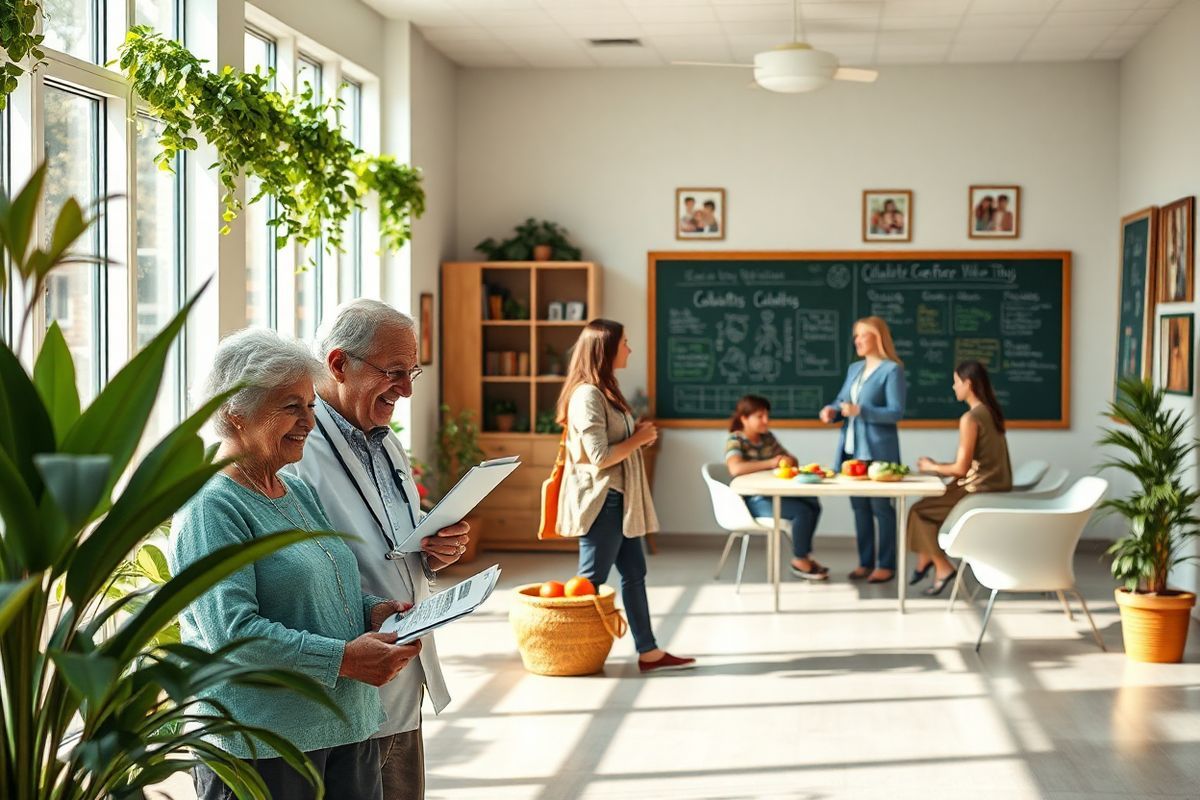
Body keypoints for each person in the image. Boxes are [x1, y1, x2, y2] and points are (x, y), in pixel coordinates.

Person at [171, 329, 419, 800]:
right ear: (233, 411)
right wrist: (343, 659)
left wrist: (371, 611)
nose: (309, 420)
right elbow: (234, 635)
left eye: (309, 405)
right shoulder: (211, 507)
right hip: (266, 745)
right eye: (291, 407)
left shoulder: (296, 490)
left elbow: (326, 582)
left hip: (346, 726)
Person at [292, 299, 469, 800]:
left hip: (401, 670)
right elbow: (301, 567)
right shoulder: (297, 447)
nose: (408, 389)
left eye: (411, 371)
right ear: (338, 364)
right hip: (350, 673)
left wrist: (431, 548)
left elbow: (392, 540)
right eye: (394, 372)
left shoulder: (384, 439)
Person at [555, 319, 695, 673]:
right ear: (607, 349)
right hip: (604, 500)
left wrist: (637, 435)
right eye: (625, 343)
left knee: (634, 572)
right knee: (589, 581)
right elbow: (601, 457)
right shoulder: (588, 395)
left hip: (619, 498)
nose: (630, 349)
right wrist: (641, 438)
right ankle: (567, 648)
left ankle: (648, 652)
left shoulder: (603, 391)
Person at [909, 361, 1013, 595]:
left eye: (956, 382)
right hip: (994, 488)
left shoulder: (971, 418)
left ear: (968, 384)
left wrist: (932, 466)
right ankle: (927, 560)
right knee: (926, 508)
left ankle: (940, 565)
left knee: (918, 511)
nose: (953, 387)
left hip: (978, 492)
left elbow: (961, 469)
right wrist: (939, 467)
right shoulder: (991, 412)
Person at [819, 316, 907, 583]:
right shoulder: (854, 369)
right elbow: (842, 400)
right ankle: (865, 562)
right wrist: (832, 410)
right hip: (851, 451)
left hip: (878, 453)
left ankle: (886, 564)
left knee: (882, 509)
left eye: (862, 336)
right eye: (855, 336)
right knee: (859, 508)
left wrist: (861, 411)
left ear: (877, 338)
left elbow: (895, 412)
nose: (857, 340)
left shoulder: (892, 371)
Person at [725, 394, 826, 580]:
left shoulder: (767, 438)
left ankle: (803, 555)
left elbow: (792, 459)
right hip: (750, 501)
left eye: (766, 415)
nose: (766, 420)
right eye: (760, 416)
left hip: (771, 494)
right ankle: (800, 559)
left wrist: (787, 460)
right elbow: (735, 468)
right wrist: (771, 462)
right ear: (744, 418)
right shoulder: (735, 440)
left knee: (813, 503)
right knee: (801, 511)